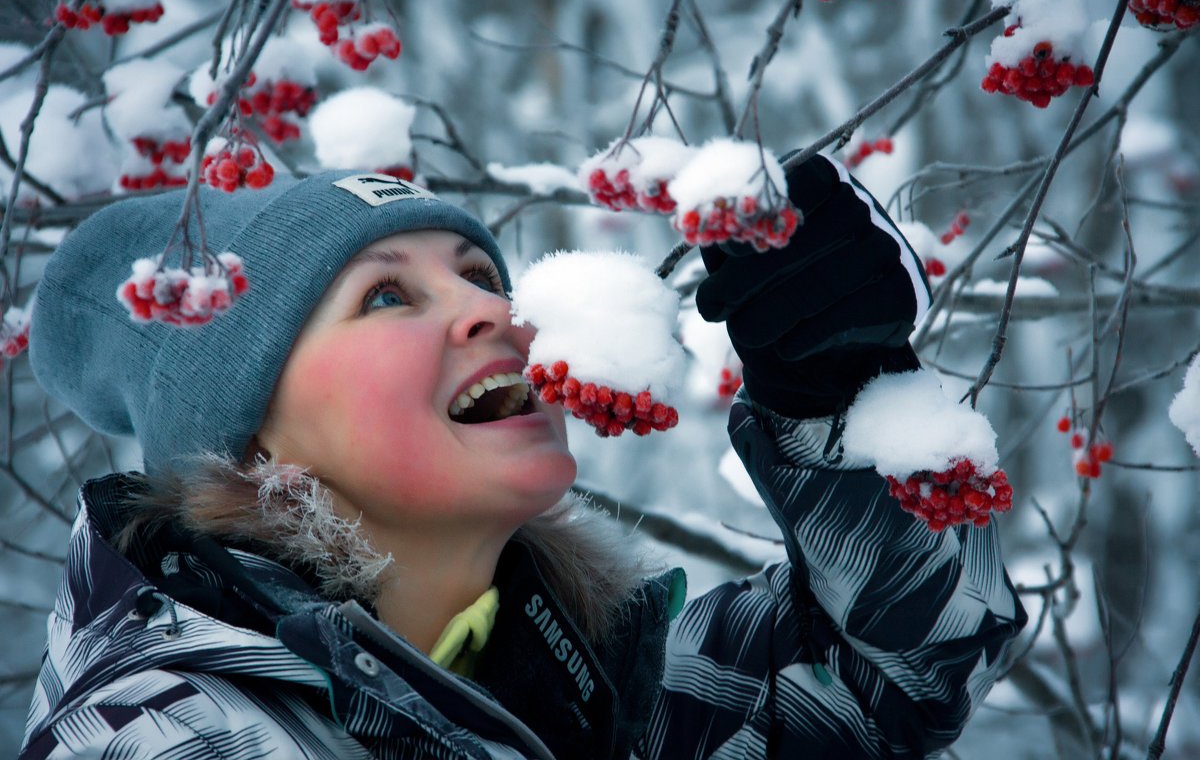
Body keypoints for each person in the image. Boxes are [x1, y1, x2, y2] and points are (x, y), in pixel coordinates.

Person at [20, 156, 1026, 759]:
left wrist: (839, 398)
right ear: (253, 441)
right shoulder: (169, 733)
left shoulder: (571, 685)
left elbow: (881, 684)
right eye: (385, 294)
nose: (495, 312)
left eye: (478, 274)